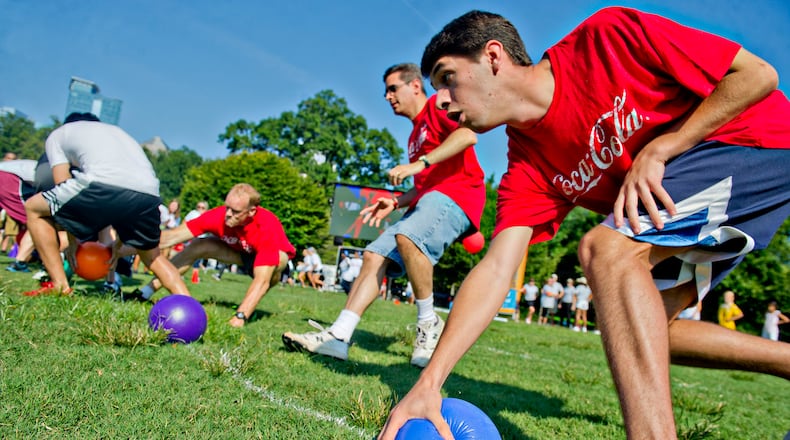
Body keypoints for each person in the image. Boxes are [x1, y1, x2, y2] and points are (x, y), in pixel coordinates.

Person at [378, 9, 790, 439]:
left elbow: (757, 76)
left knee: (605, 250)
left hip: (754, 139)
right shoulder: (526, 166)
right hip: (686, 185)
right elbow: (497, 269)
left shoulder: (607, 36)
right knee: (645, 329)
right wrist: (430, 382)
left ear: (493, 56)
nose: (440, 99)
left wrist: (663, 148)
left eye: (447, 78)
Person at [282, 62, 485, 367]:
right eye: (385, 91)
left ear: (415, 86)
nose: (388, 96)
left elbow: (468, 135)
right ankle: (338, 337)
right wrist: (396, 202)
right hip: (431, 198)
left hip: (461, 196)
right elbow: (425, 186)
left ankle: (429, 324)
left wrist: (419, 164)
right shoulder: (415, 135)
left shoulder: (439, 102)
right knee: (374, 256)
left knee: (408, 238)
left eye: (393, 88)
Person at [22, 112, 190, 297]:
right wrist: (119, 241)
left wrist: (72, 241)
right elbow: (127, 190)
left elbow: (63, 185)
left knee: (34, 208)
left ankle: (59, 284)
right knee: (152, 256)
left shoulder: (58, 135)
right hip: (148, 193)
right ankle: (189, 304)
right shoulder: (116, 133)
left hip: (101, 184)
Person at [128, 183, 296, 328]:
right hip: (238, 253)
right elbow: (172, 237)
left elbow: (262, 280)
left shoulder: (266, 226)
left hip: (272, 260)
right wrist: (131, 242)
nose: (228, 214)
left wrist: (240, 317)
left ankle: (243, 313)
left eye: (235, 211)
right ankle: (145, 292)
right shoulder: (219, 215)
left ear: (251, 211)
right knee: (201, 244)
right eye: (227, 207)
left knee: (277, 262)